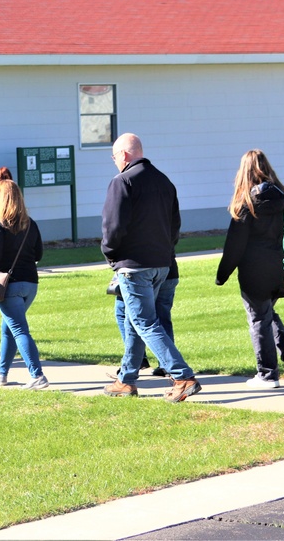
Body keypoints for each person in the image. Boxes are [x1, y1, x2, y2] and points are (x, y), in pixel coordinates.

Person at [101, 133, 201, 402]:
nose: (115, 162)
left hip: (134, 266)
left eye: (114, 157)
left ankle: (182, 376)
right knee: (137, 322)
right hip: (161, 263)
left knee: (145, 321)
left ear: (123, 155)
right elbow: (175, 227)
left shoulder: (122, 181)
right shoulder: (164, 181)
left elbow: (113, 228)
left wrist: (111, 256)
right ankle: (127, 380)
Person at [216, 150, 284, 388]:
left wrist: (222, 275)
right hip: (281, 267)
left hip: (255, 272)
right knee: (266, 314)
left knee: (258, 320)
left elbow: (235, 245)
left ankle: (267, 373)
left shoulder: (246, 204)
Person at [0, 179, 48, 389]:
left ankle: (37, 375)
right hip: (30, 284)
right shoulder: (31, 224)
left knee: (19, 330)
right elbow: (38, 254)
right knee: (8, 328)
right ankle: (2, 372)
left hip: (8, 285)